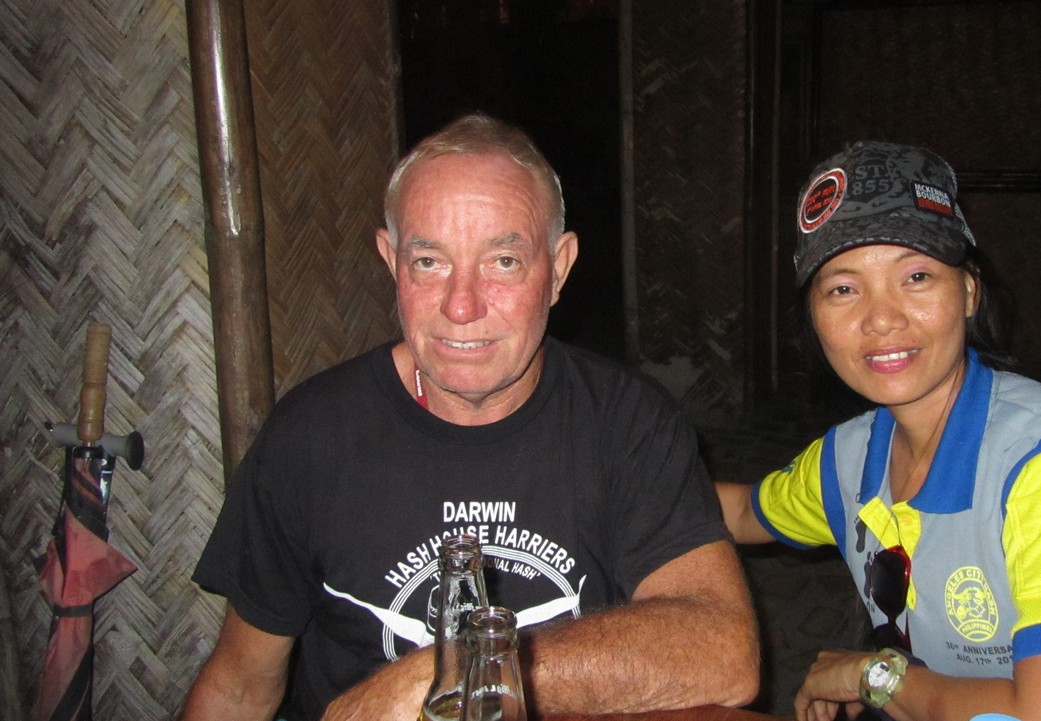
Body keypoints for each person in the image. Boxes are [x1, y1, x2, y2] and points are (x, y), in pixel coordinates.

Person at [180, 112, 758, 721]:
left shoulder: (627, 423)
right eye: (429, 262)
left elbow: (724, 652)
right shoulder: (310, 436)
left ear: (558, 269)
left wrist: (455, 674)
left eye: (503, 261)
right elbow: (239, 687)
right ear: (391, 262)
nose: (462, 306)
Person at [716, 141, 1041, 721]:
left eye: (917, 276)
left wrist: (873, 675)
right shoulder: (848, 458)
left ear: (969, 292)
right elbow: (742, 512)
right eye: (843, 289)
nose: (882, 319)